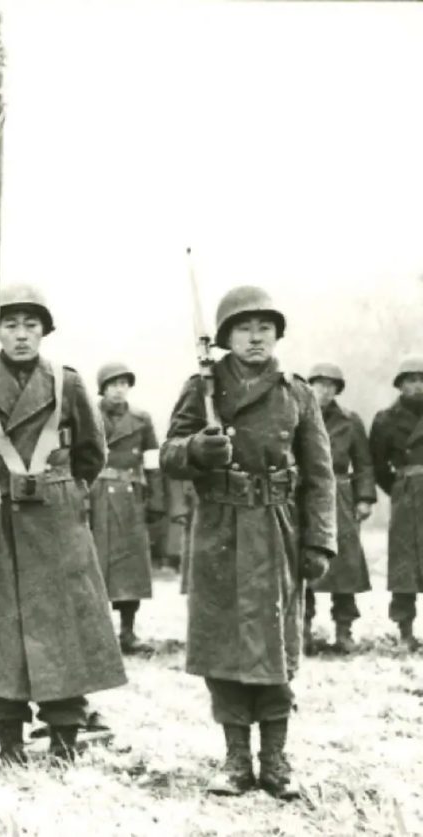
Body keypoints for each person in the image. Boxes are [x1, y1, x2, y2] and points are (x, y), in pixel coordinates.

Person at [0, 284, 127, 766]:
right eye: (10, 325)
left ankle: (65, 740)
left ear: (44, 331)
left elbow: (91, 454)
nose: (21, 335)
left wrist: (63, 493)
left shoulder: (67, 382)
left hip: (56, 523)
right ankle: (9, 745)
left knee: (64, 631)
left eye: (31, 325)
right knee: (0, 635)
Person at [161, 285, 336, 799]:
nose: (256, 338)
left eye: (265, 328)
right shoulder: (202, 388)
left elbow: (320, 475)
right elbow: (169, 454)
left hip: (278, 528)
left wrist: (319, 542)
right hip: (219, 529)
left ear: (277, 335)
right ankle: (236, 760)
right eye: (244, 328)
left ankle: (275, 761)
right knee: (224, 645)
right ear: (226, 337)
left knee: (276, 645)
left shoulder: (297, 393)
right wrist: (198, 449)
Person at [89, 362, 165, 653]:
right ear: (103, 389)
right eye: (113, 385)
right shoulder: (88, 416)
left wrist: (156, 499)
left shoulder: (141, 419)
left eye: (123, 384)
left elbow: (152, 461)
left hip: (131, 500)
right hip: (96, 498)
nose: (119, 390)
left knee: (130, 567)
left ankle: (128, 632)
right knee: (95, 564)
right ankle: (96, 634)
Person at [303, 363, 375, 654]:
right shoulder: (298, 416)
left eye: (331, 385)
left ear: (337, 390)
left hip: (341, 496)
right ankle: (302, 630)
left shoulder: (350, 420)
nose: (325, 390)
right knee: (304, 561)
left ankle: (344, 631)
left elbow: (364, 463)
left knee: (345, 565)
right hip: (306, 495)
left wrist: (365, 498)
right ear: (310, 387)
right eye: (319, 384)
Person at [369, 355, 423, 652]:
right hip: (406, 499)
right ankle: (405, 631)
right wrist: (401, 489)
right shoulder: (385, 420)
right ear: (400, 385)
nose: (418, 386)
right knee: (405, 565)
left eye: (422, 380)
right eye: (411, 380)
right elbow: (378, 466)